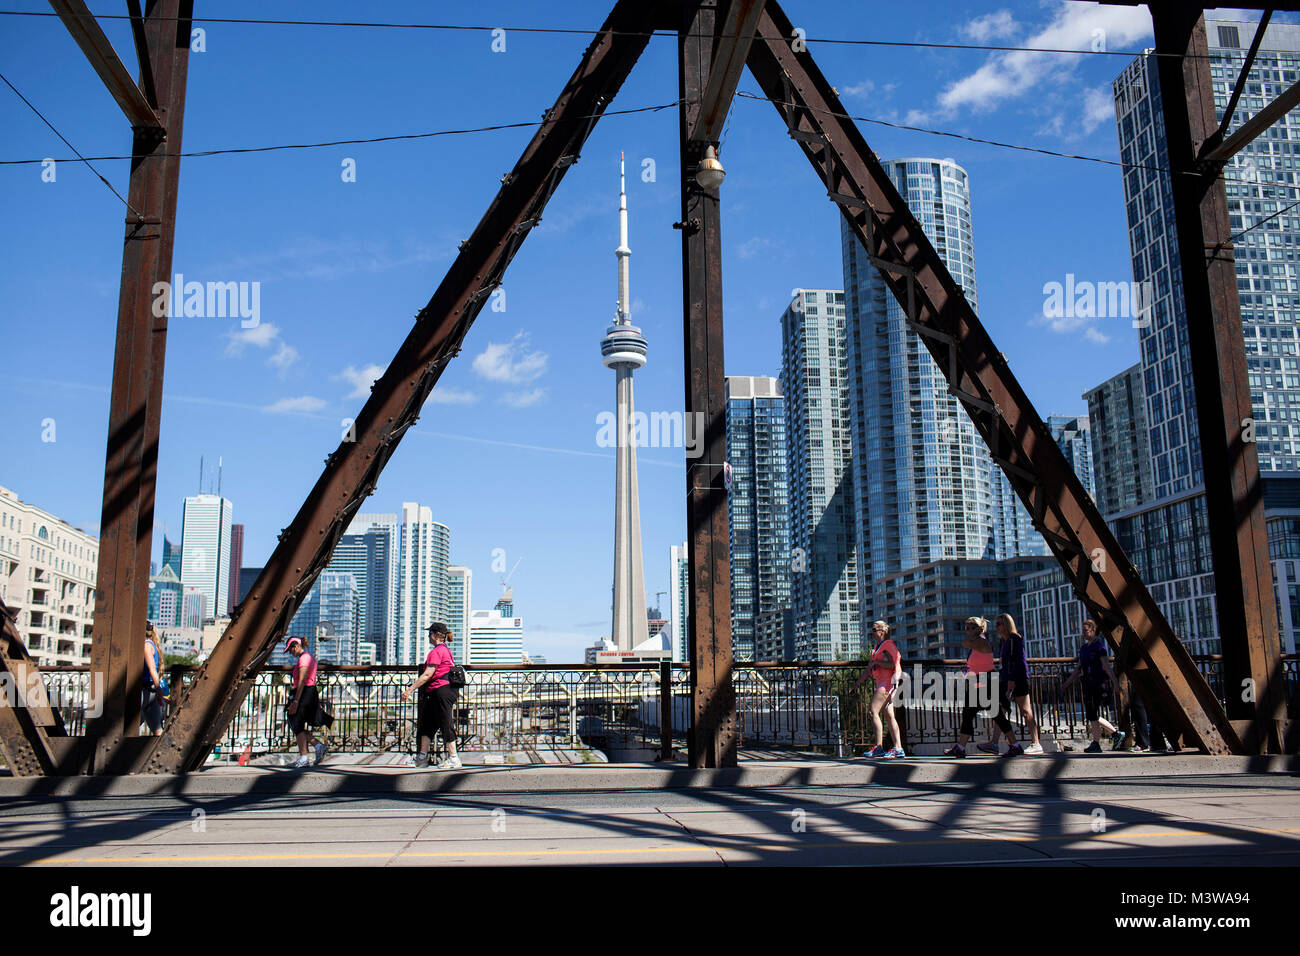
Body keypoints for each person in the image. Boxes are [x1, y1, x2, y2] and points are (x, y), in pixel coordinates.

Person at [944, 616, 1016, 757]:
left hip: (986, 684)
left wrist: (974, 633)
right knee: (972, 714)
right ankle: (960, 747)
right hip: (979, 683)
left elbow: (964, 643)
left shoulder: (980, 642)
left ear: (979, 629)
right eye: (967, 628)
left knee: (994, 715)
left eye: (971, 627)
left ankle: (1015, 745)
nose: (968, 631)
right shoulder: (977, 642)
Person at [401, 622, 462, 770]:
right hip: (438, 691)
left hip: (442, 690)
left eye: (429, 634)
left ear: (435, 635)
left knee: (446, 722)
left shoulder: (436, 652)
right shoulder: (445, 650)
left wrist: (410, 690)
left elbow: (428, 674)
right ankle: (421, 758)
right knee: (427, 724)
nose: (428, 636)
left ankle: (454, 758)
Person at [1063, 619, 1122, 753]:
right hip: (1088, 683)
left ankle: (1096, 743)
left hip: (1098, 683)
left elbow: (1106, 666)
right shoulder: (1084, 648)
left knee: (1092, 713)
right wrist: (1068, 682)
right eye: (1083, 631)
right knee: (1091, 713)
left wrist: (1115, 683)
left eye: (1086, 630)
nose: (1083, 633)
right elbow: (1079, 668)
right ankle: (1114, 734)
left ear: (1093, 630)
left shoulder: (1099, 647)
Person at [851, 621, 904, 759]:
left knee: (873, 711)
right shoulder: (877, 648)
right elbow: (869, 670)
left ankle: (879, 747)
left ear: (882, 631)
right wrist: (857, 685)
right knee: (889, 716)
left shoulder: (888, 645)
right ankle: (898, 748)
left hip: (886, 684)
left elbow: (894, 663)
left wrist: (877, 663)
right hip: (883, 683)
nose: (872, 632)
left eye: (874, 629)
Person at [993, 612, 1042, 756]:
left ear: (1006, 625)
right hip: (1008, 679)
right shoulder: (1005, 641)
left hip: (1017, 680)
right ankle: (995, 743)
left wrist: (1011, 681)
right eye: (996, 624)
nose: (996, 627)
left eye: (999, 624)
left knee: (1025, 711)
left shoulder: (1015, 639)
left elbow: (1017, 662)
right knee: (1000, 711)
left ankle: (1036, 743)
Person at [285, 636, 328, 768]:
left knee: (296, 722)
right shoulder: (307, 657)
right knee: (297, 724)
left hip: (304, 693)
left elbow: (302, 680)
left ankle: (304, 757)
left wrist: (296, 701)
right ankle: (318, 746)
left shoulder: (304, 658)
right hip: (307, 692)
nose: (290, 652)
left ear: (296, 646)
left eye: (290, 649)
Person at [141, 624, 166, 736]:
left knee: (127, 727)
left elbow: (152, 669)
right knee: (158, 731)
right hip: (152, 692)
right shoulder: (152, 645)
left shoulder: (146, 646)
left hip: (145, 691)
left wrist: (158, 687)